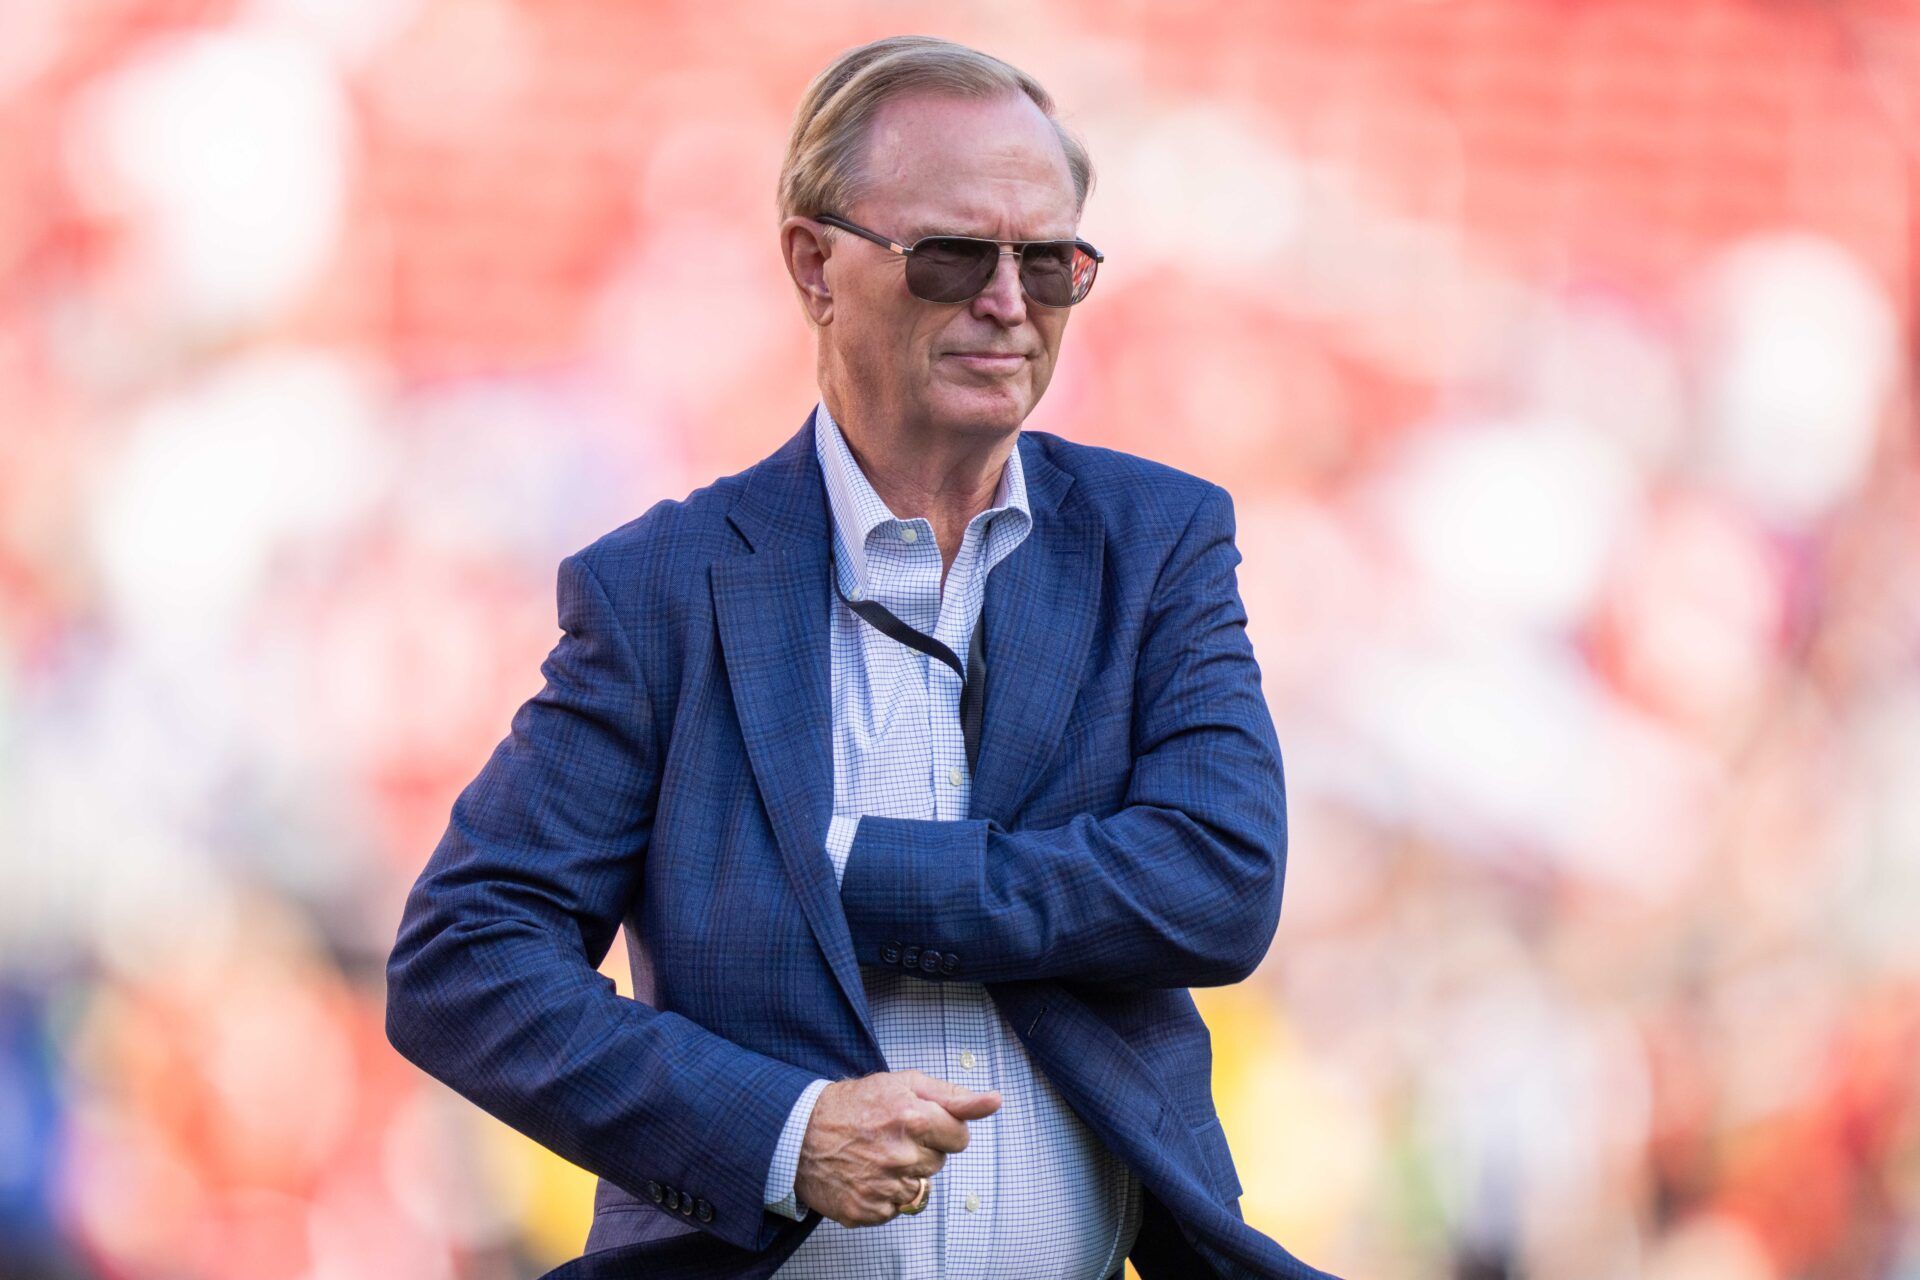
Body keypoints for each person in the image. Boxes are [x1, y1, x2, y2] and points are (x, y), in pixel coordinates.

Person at [384, 33, 1340, 1280]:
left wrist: (864, 872)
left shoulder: (1158, 539)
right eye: (952, 255)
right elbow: (465, 956)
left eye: (1050, 262)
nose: (1008, 299)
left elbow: (1220, 880)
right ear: (814, 264)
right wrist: (782, 1133)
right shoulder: (663, 588)